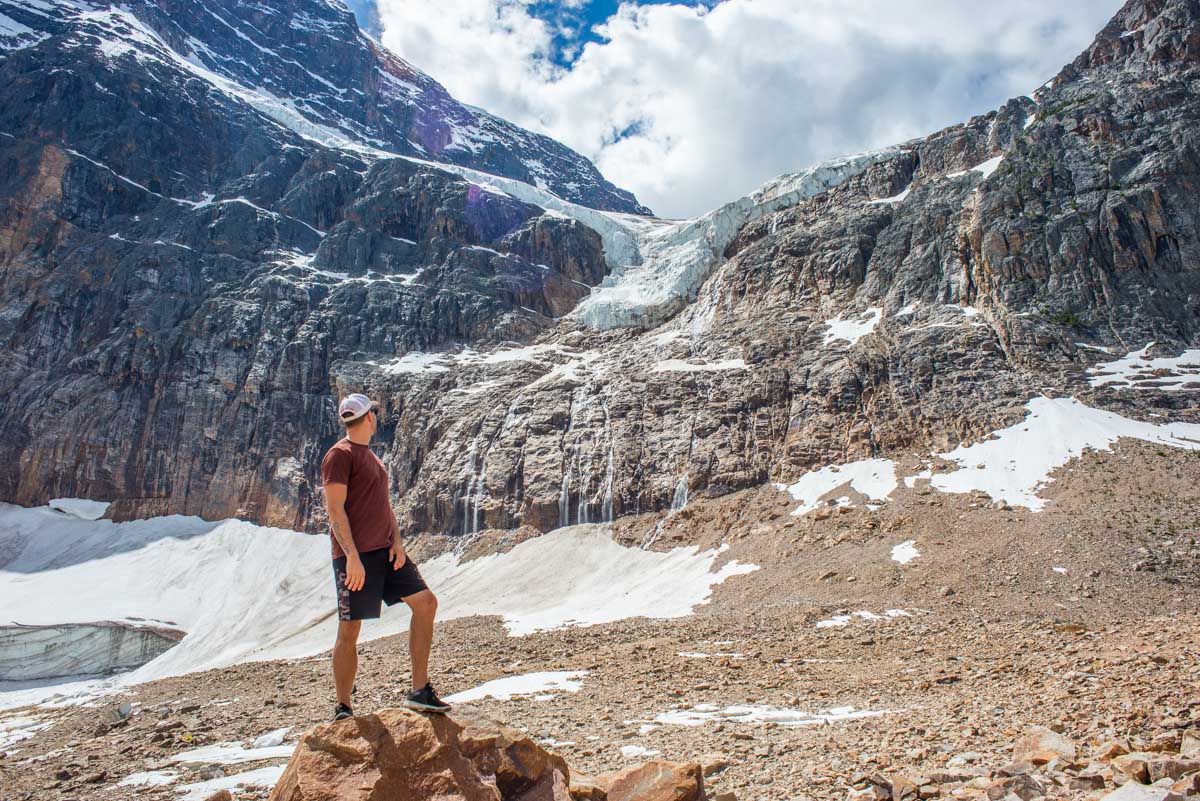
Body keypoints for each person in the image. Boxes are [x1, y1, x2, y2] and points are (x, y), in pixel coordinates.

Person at [321, 393, 451, 721]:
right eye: (374, 415)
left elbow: (384, 506)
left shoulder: (372, 459)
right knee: (350, 629)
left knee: (426, 603)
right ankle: (343, 707)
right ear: (369, 418)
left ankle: (419, 690)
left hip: (386, 552)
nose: (376, 419)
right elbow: (334, 510)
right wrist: (351, 556)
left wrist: (397, 541)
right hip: (358, 557)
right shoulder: (339, 455)